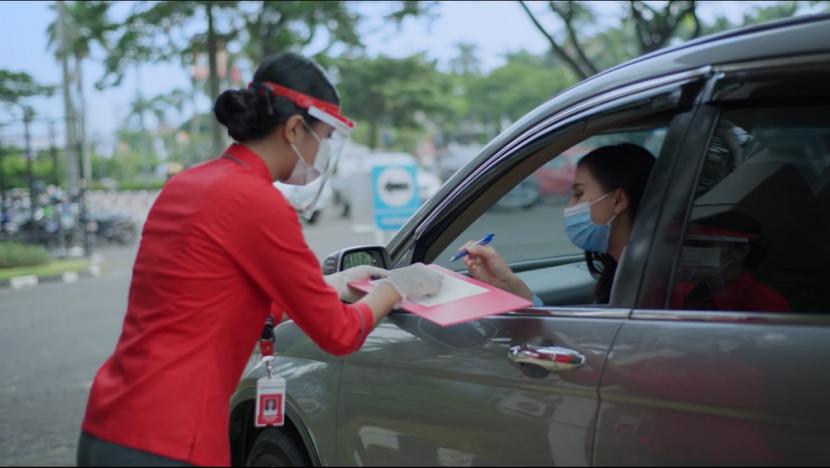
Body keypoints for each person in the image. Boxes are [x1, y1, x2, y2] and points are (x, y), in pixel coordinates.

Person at [77, 52, 443, 467]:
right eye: (323, 137)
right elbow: (339, 333)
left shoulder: (188, 183)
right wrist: (396, 288)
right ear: (293, 128)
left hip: (108, 426)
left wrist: (332, 285)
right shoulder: (258, 202)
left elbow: (209, 297)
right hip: (174, 439)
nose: (323, 151)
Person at [462, 143, 656, 305]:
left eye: (579, 194)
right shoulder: (627, 273)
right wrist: (507, 283)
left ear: (618, 200)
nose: (570, 206)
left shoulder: (652, 283)